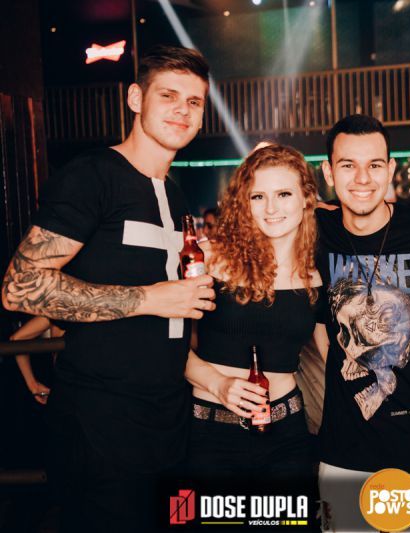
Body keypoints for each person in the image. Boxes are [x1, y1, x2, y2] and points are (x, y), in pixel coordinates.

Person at [1, 45, 214, 533]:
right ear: (136, 98)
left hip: (169, 422)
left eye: (194, 101)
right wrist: (149, 298)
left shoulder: (175, 192)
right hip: (100, 427)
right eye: (168, 96)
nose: (182, 110)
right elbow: (18, 288)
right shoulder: (92, 175)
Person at [314, 114, 410, 532]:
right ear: (328, 172)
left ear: (391, 169)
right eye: (348, 165)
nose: (363, 178)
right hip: (344, 448)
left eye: (374, 165)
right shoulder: (315, 232)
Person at [183, 144, 323, 485]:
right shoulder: (207, 259)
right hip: (210, 432)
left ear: (306, 198)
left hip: (288, 434)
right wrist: (217, 383)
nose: (271, 208)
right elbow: (162, 344)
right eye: (258, 196)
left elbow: (332, 356)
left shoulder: (315, 275)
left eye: (284, 194)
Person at [10, 316, 62, 404]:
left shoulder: (62, 315)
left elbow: (17, 339)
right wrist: (33, 385)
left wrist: (33, 385)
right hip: (69, 390)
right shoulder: (62, 315)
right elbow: (17, 339)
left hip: (69, 390)